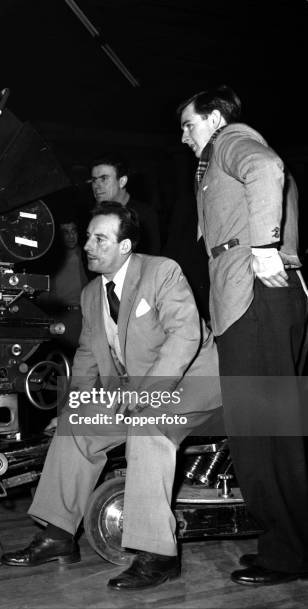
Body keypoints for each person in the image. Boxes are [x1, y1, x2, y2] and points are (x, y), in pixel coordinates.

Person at [2, 202, 221, 590]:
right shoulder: (91, 294)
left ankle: (158, 554)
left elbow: (186, 336)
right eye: (88, 236)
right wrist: (74, 407)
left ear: (125, 246)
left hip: (193, 383)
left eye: (99, 238)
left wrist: (148, 395)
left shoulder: (162, 272)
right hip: (137, 391)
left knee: (149, 425)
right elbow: (87, 358)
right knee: (75, 427)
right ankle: (57, 534)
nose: (88, 245)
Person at [177, 85, 308, 586]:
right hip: (249, 298)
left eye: (189, 125)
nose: (185, 137)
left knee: (267, 431)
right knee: (265, 430)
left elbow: (266, 169)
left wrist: (265, 246)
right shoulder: (215, 156)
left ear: (212, 119)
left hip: (256, 294)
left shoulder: (231, 139)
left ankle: (289, 553)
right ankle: (286, 544)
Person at [90, 156, 161, 255]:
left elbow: (151, 258)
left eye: (104, 179)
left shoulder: (144, 215)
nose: (96, 186)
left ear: (122, 181)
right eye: (94, 180)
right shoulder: (94, 214)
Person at [37, 219, 89, 353]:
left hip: (83, 318)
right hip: (58, 318)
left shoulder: (88, 255)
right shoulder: (52, 260)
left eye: (74, 231)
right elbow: (42, 295)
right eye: (66, 232)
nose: (71, 236)